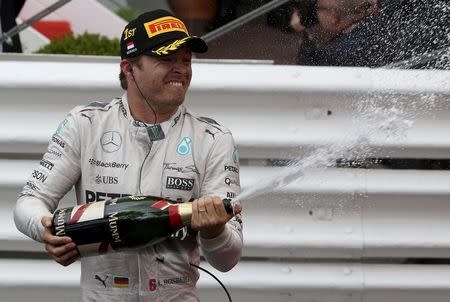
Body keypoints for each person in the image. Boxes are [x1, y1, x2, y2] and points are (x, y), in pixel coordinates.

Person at [14, 9, 243, 302]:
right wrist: (46, 231)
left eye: (185, 60)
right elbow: (28, 202)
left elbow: (228, 259)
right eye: (166, 58)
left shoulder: (213, 138)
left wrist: (214, 231)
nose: (181, 69)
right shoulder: (86, 124)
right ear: (129, 68)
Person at [301, 0, 450, 68]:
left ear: (334, 17)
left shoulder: (339, 53)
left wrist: (305, 33)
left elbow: (310, 71)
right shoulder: (351, 48)